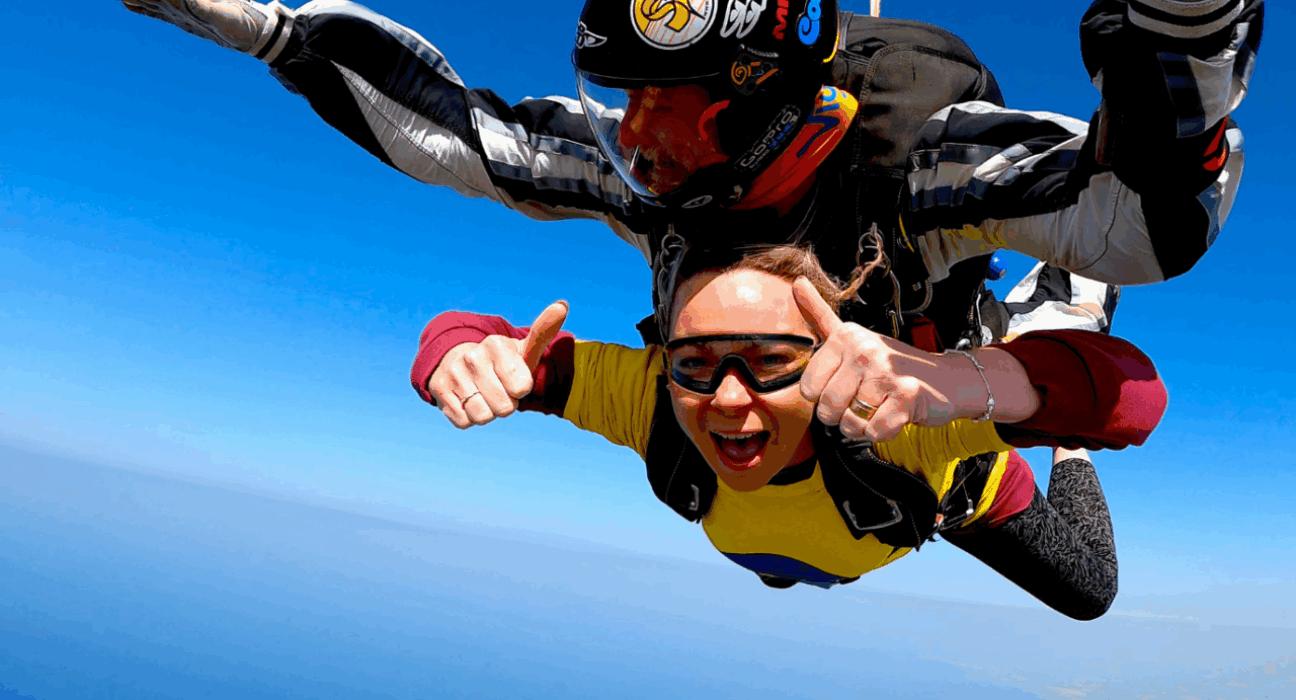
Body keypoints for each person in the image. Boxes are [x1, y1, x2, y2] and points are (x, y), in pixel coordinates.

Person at [123, 0, 1263, 350]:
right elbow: (460, 134)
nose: (638, 137)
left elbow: (1147, 220)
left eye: (675, 106)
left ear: (772, 111)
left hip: (929, 361)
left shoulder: (914, 157)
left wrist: (1182, 48)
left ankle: (1046, 312)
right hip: (763, 401)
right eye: (624, 96)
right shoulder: (644, 171)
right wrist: (271, 30)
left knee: (1073, 572)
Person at [409, 242, 1166, 619]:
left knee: (1090, 589)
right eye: (697, 360)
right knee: (783, 566)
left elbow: (1129, 399)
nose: (728, 399)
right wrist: (455, 352)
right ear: (667, 356)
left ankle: (1049, 324)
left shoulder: (894, 421)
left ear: (826, 357)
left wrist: (971, 385)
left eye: (771, 362)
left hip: (961, 494)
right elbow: (506, 348)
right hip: (823, 540)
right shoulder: (661, 398)